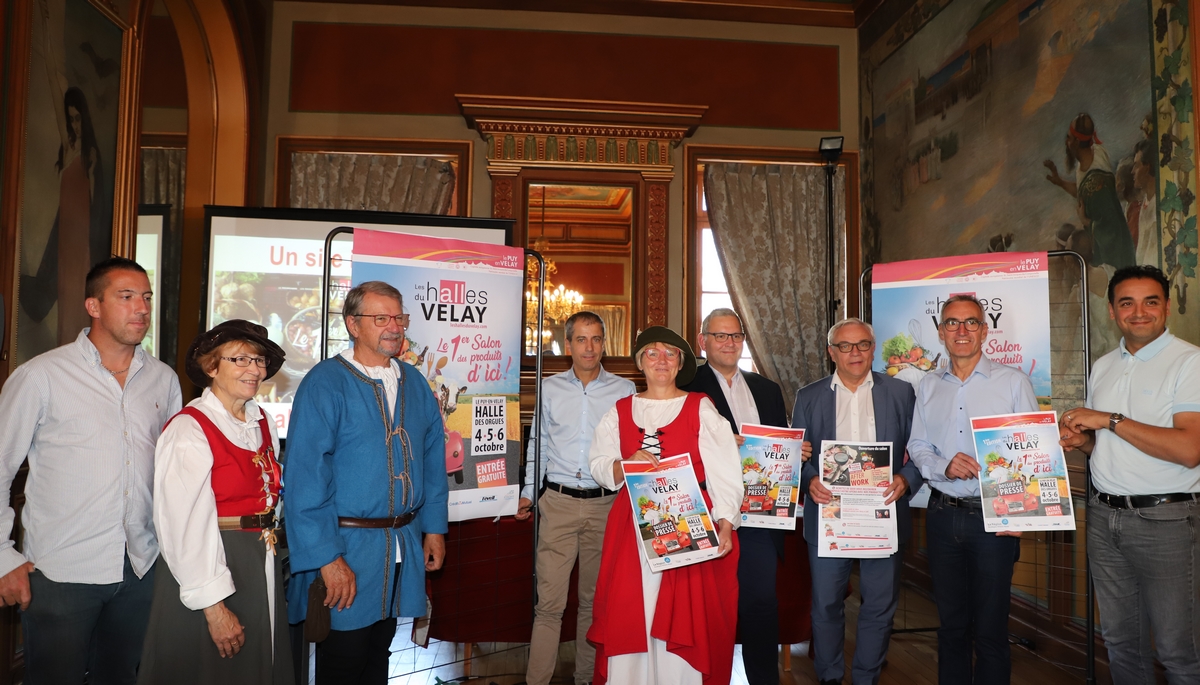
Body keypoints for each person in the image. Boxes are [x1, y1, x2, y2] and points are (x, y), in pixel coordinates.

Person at [0, 257, 181, 684]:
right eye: (126, 296)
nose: (141, 307)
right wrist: (3, 556)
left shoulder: (164, 379)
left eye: (147, 297)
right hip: (62, 572)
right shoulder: (41, 376)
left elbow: (175, 476)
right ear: (93, 306)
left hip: (140, 569)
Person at [284, 281, 448, 685]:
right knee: (344, 658)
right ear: (353, 325)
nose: (393, 327)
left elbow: (432, 460)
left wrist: (434, 529)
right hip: (346, 549)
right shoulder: (325, 383)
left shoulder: (414, 382)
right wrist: (327, 558)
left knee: (379, 652)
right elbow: (305, 477)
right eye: (381, 318)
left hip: (400, 544)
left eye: (399, 317)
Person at [1059, 265, 1200, 683]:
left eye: (1150, 301)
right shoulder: (1103, 365)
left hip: (1167, 523)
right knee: (1121, 644)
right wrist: (1081, 442)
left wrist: (1108, 419)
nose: (1139, 312)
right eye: (1127, 303)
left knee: (1178, 652)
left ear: (1167, 308)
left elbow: (1190, 451)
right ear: (1112, 311)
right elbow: (1105, 444)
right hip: (1103, 518)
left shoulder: (1190, 362)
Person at [587, 326, 743, 685]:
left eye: (670, 353)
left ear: (680, 364)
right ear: (641, 362)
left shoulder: (700, 405)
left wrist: (725, 522)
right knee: (633, 607)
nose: (661, 360)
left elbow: (724, 468)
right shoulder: (620, 410)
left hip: (690, 522)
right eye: (653, 353)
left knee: (684, 612)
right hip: (631, 526)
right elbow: (598, 464)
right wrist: (627, 464)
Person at [137, 320, 292, 683]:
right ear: (212, 367)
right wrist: (214, 606)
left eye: (258, 360)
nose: (254, 369)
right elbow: (182, 525)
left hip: (258, 561)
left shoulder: (260, 420)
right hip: (211, 563)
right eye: (240, 360)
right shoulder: (189, 429)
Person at [907, 294, 1037, 685]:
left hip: (993, 520)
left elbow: (1031, 451)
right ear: (941, 332)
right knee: (951, 627)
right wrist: (942, 465)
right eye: (952, 323)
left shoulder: (1014, 383)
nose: (961, 331)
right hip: (942, 516)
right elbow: (917, 445)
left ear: (984, 330)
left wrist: (1024, 517)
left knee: (991, 630)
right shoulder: (928, 385)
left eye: (970, 323)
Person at [793, 318, 921, 685]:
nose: (855, 353)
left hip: (883, 514)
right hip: (829, 515)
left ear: (873, 349)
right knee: (826, 606)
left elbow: (920, 450)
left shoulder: (900, 393)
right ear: (831, 351)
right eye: (845, 346)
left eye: (863, 344)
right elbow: (796, 456)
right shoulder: (809, 395)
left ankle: (866, 677)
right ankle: (830, 676)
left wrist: (905, 480)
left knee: (880, 606)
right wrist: (810, 480)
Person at [517, 311, 634, 685]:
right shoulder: (549, 388)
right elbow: (539, 445)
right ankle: (537, 681)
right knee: (549, 605)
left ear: (605, 344)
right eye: (581, 339)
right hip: (558, 504)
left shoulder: (624, 391)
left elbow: (632, 451)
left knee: (593, 604)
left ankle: (586, 679)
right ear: (568, 345)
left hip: (606, 505)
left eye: (597, 339)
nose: (590, 347)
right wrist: (527, 494)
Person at [680, 308, 789, 685]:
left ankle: (763, 680)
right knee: (708, 607)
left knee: (761, 604)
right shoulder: (685, 386)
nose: (729, 343)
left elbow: (780, 450)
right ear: (703, 341)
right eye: (720, 336)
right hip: (707, 513)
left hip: (761, 515)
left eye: (735, 336)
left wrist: (794, 452)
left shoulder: (767, 389)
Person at [1043, 113, 1136, 271]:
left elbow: (1110, 226)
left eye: (1069, 138)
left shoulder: (1097, 182)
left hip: (1114, 253)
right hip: (1110, 245)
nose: (1067, 142)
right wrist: (1060, 182)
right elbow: (1084, 191)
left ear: (1077, 142)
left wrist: (1085, 221)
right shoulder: (1097, 153)